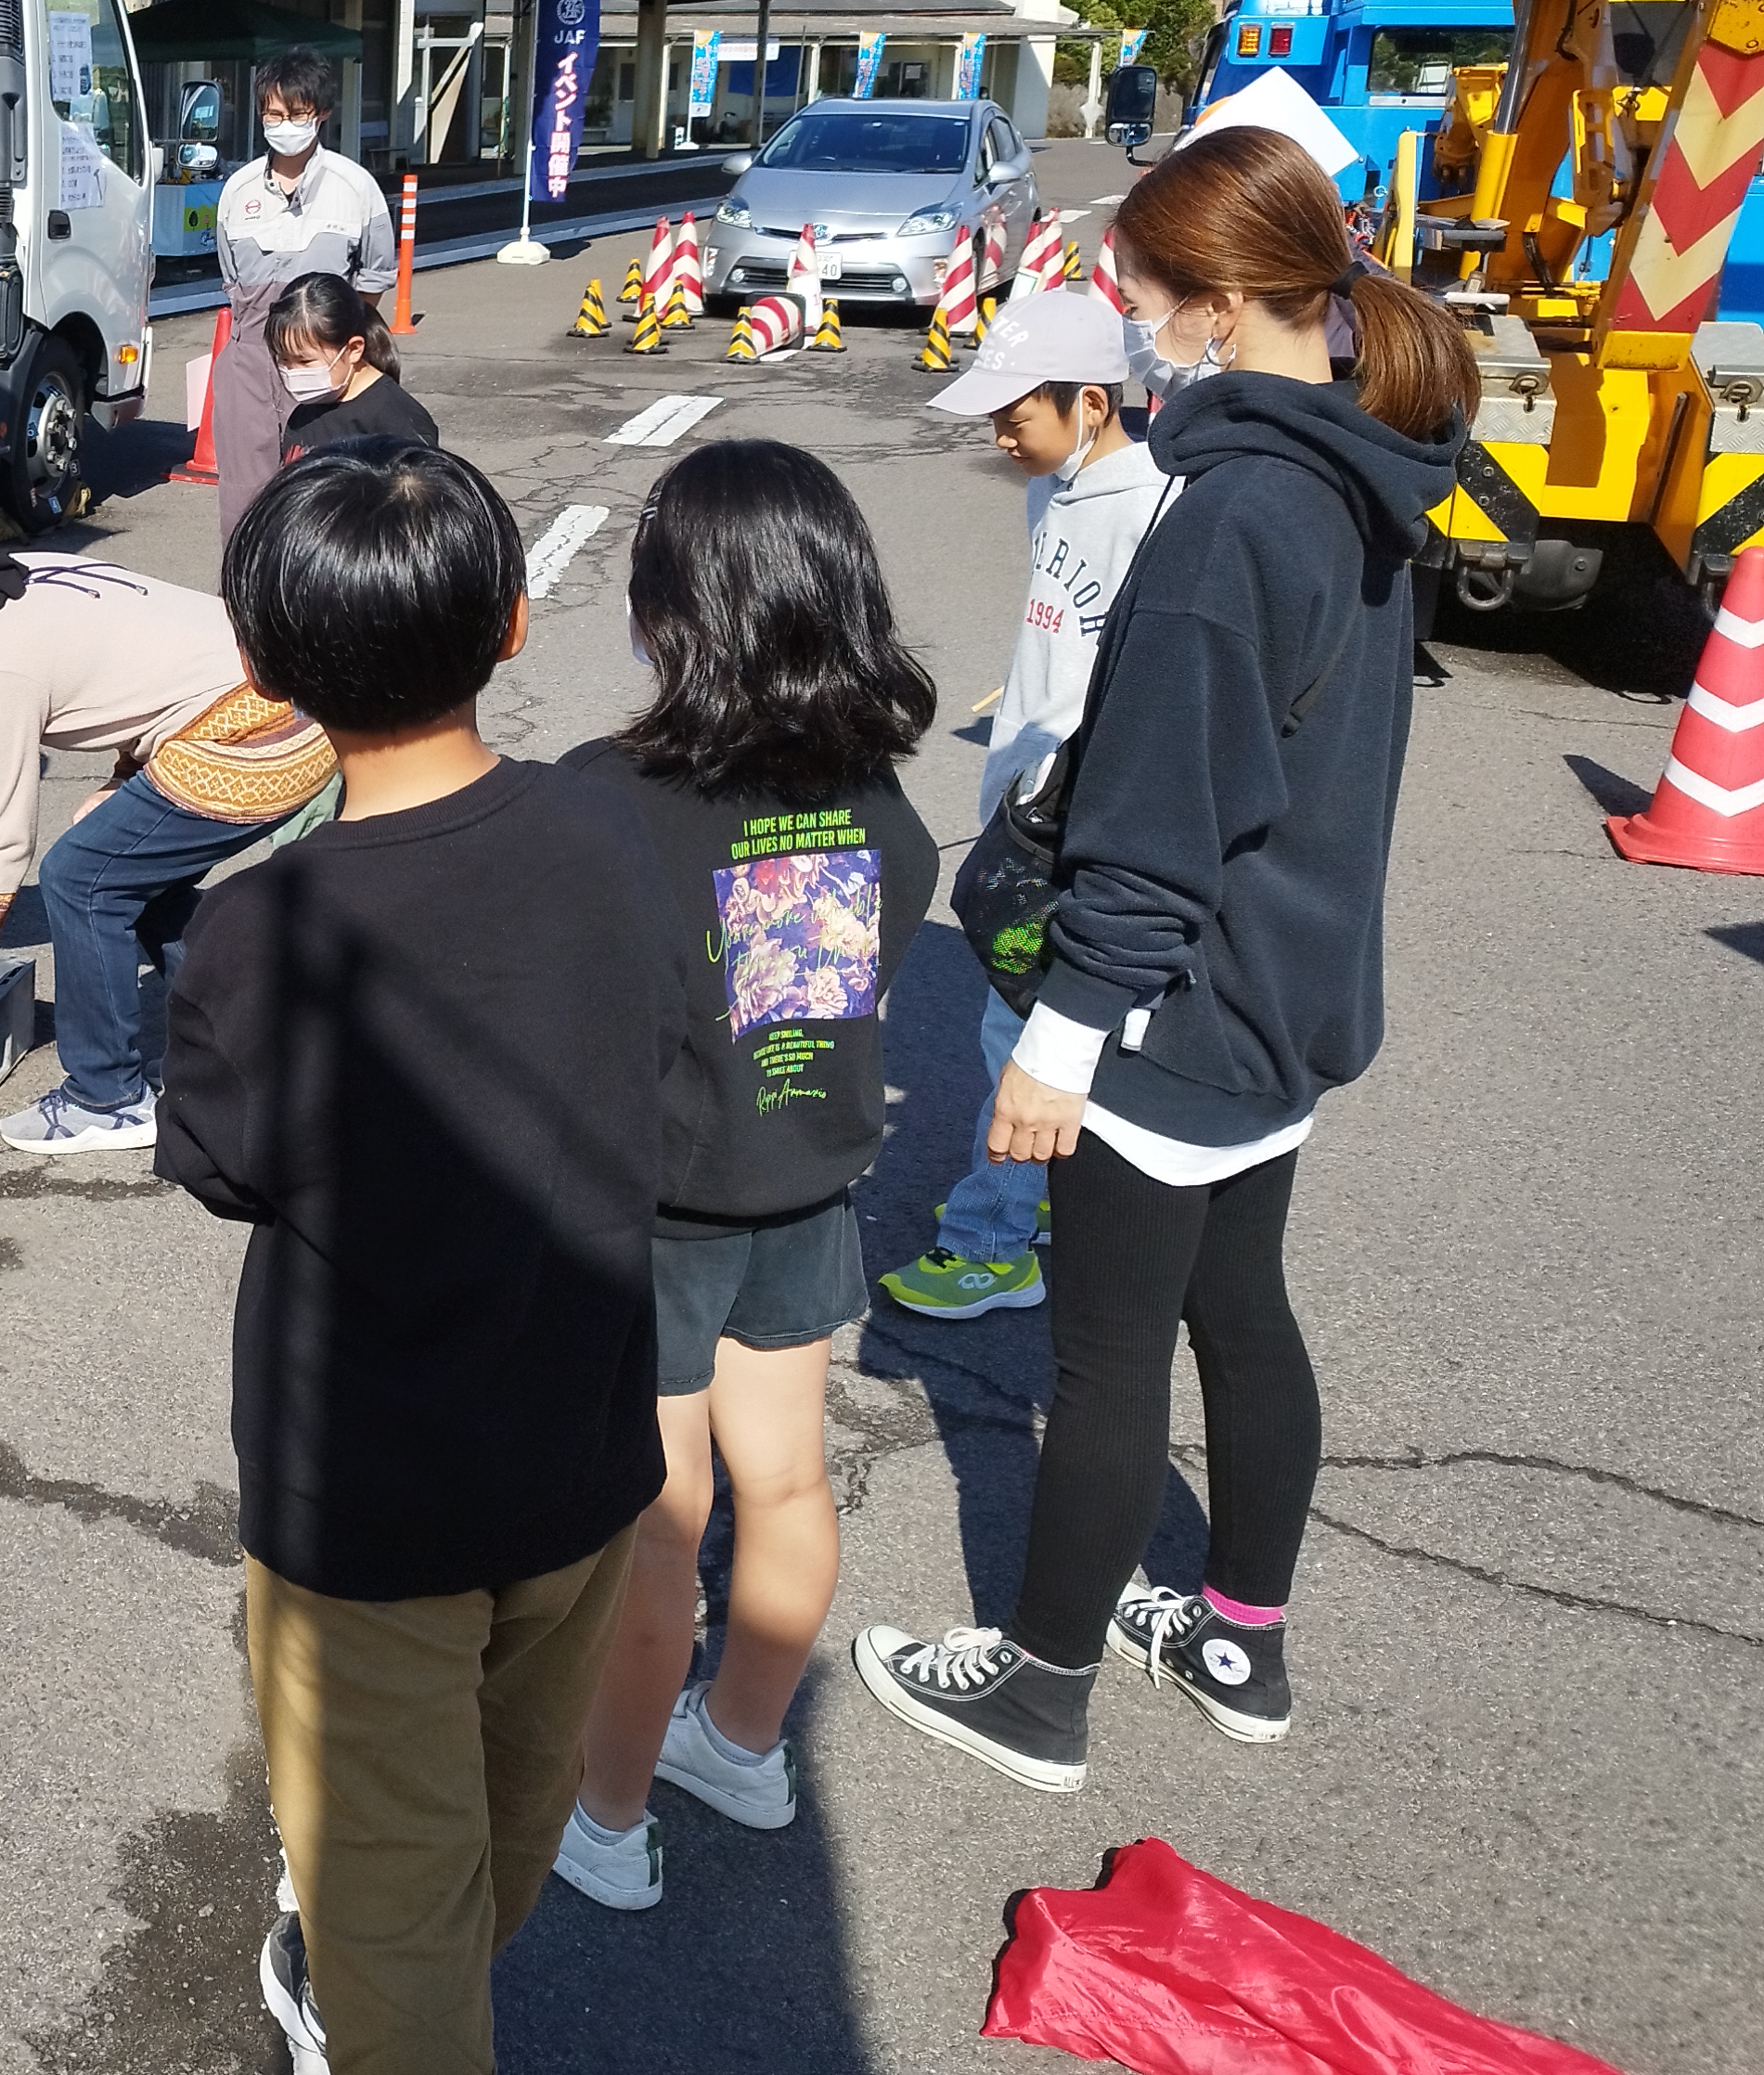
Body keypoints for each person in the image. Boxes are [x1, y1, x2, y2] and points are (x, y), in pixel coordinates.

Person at [854, 123, 1474, 1790]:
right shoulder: (1364, 466)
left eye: (1136, 289)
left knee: (1105, 1358)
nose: (1122, 320)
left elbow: (1159, 817)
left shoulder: (1226, 522)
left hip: (1175, 1012)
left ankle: (1039, 1690)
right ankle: (1240, 1639)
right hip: (1291, 988)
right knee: (1242, 1314)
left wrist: (1062, 1039)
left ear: (1209, 309)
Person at [156, 442, 693, 2074]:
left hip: (366, 1506)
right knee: (498, 1842)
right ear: (517, 624)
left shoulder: (268, 925)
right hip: (587, 1456)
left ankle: (363, 2001)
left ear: (260, 674)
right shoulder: (625, 837)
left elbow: (223, 1167)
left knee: (396, 1927)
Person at [547, 442, 939, 1914]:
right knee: (784, 1478)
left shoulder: (609, 799)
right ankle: (747, 1743)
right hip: (803, 1191)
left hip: (657, 1214)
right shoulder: (874, 802)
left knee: (662, 1511)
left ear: (669, 616)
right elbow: (802, 1009)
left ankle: (608, 1810)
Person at [0, 530, 334, 1151]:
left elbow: (4, 846)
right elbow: (149, 663)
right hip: (286, 693)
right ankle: (260, 1023)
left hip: (261, 741)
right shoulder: (9, 573)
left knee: (80, 876)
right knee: (118, 864)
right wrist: (124, 778)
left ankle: (107, 1099)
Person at [878, 288, 1165, 1322]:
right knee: (1039, 1034)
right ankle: (1041, 1204)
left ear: (1092, 402)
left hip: (1071, 828)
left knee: (1019, 1037)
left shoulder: (1151, 510)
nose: (999, 434)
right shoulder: (1055, 485)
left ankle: (992, 1238)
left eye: (1016, 413)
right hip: (1024, 809)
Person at [209, 48, 396, 541]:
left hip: (323, 367)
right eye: (273, 114)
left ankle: (316, 613)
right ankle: (245, 609)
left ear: (322, 114)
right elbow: (232, 280)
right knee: (244, 505)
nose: (283, 124)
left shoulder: (356, 188)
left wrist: (331, 350)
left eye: (295, 114)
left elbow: (373, 281)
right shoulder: (237, 190)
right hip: (249, 361)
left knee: (324, 500)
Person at [266, 272, 439, 459]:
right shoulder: (306, 411)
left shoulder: (399, 420)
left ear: (354, 349)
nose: (291, 372)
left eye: (304, 361)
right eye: (283, 359)